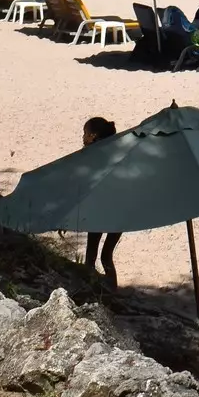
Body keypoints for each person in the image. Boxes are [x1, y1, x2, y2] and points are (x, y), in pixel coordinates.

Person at [79, 118, 121, 286]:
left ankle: (90, 289)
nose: (83, 137)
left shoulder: (91, 157)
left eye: (85, 134)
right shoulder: (115, 152)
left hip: (99, 212)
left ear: (93, 136)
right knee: (106, 256)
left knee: (91, 256)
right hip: (119, 212)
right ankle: (113, 289)